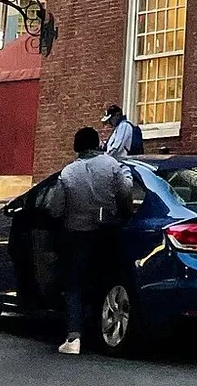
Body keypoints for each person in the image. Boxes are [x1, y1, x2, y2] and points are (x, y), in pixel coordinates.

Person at [43, 126, 136, 356]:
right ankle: (101, 328)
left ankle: (74, 338)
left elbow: (55, 207)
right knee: (104, 280)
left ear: (77, 147)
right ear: (97, 144)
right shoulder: (114, 166)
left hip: (76, 236)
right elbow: (126, 191)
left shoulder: (68, 173)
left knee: (74, 285)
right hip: (108, 233)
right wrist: (123, 213)